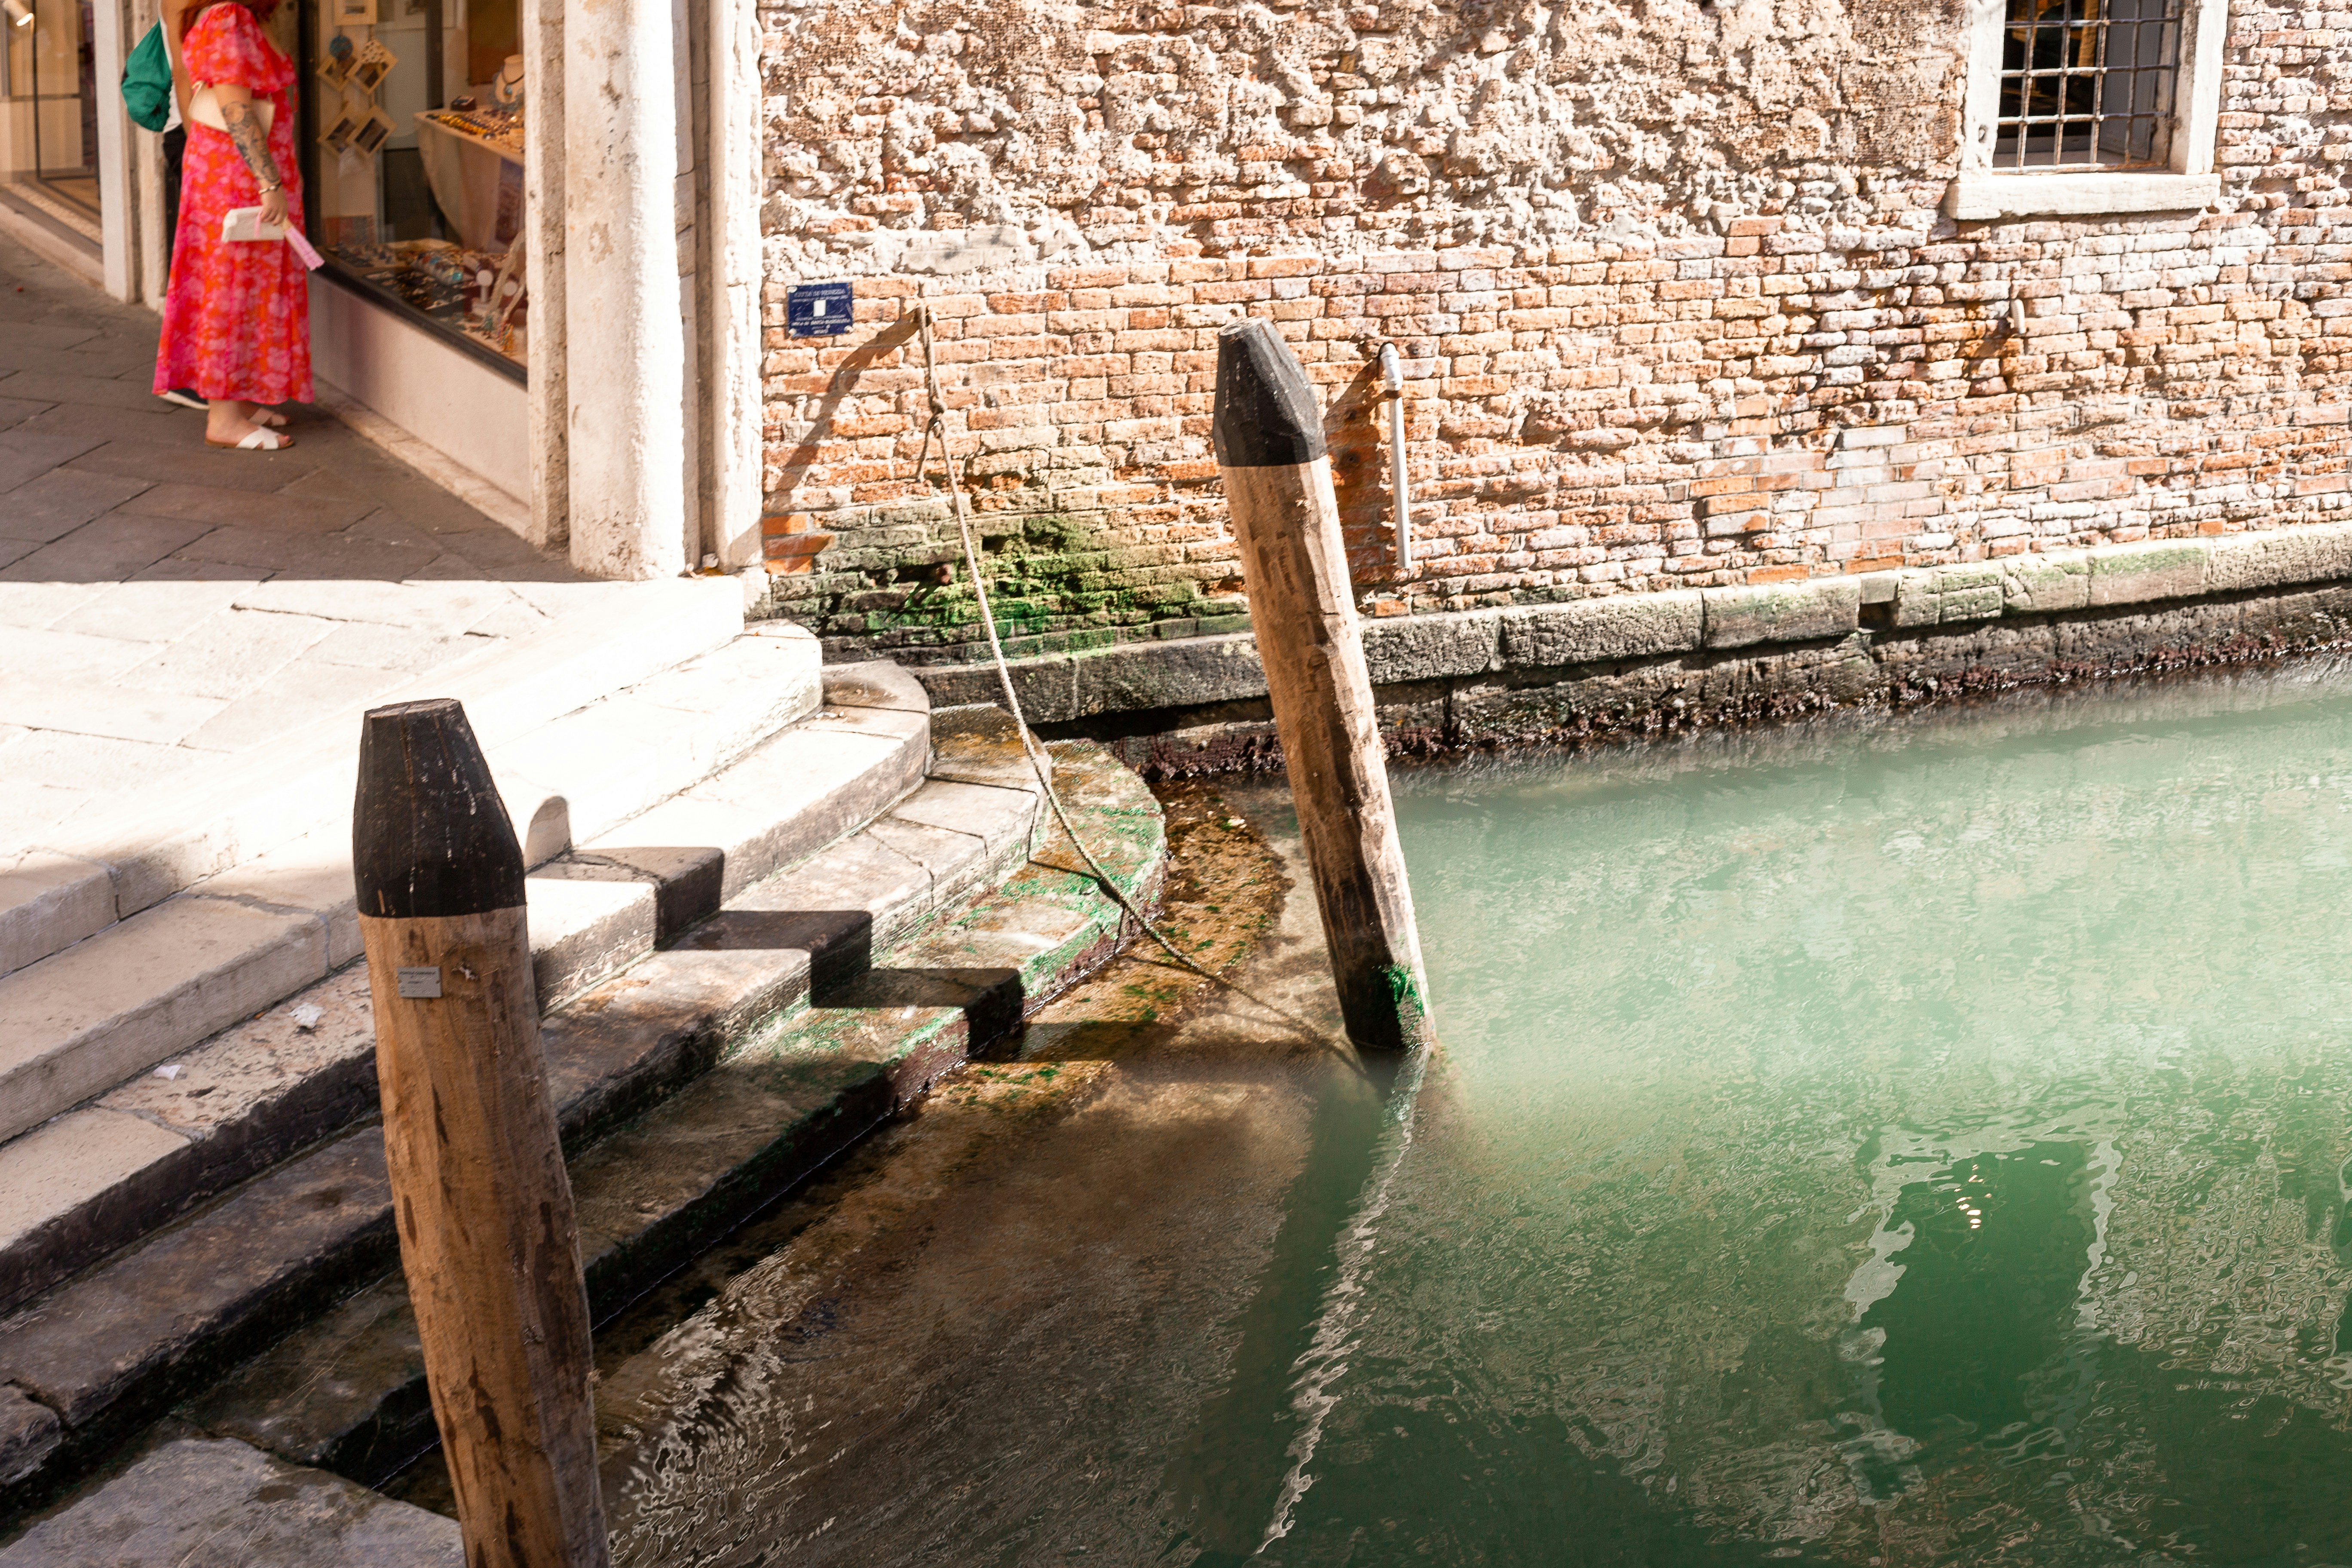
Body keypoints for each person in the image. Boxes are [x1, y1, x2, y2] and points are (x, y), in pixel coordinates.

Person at [152, 0, 308, 450]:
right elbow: (235, 107)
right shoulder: (228, 17)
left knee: (232, 287)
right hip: (236, 179)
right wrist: (269, 181)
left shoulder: (218, 13)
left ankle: (234, 401)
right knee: (233, 291)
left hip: (221, 173)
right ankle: (223, 418)